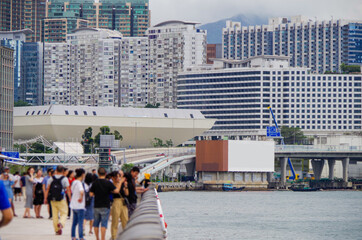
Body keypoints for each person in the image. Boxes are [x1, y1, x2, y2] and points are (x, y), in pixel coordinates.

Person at [90, 168, 122, 240]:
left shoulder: (95, 183)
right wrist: (120, 182)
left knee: (96, 224)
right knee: (103, 224)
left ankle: (97, 238)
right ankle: (103, 239)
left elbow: (91, 194)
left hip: (96, 205)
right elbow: (116, 191)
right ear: (105, 174)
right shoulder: (108, 183)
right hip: (105, 206)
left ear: (98, 173)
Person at [44, 165, 71, 235]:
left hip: (53, 199)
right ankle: (61, 223)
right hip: (62, 199)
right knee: (64, 213)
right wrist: (70, 198)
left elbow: (47, 189)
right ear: (63, 171)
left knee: (54, 215)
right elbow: (68, 190)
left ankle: (56, 230)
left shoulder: (51, 178)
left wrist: (45, 198)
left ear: (56, 170)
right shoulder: (64, 179)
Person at [110, 170, 129, 240]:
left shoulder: (121, 183)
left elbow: (127, 194)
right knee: (115, 221)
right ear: (113, 178)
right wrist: (121, 182)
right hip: (116, 202)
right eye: (117, 176)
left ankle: (126, 237)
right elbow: (116, 190)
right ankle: (114, 237)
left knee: (125, 220)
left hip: (123, 202)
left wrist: (126, 186)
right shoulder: (112, 184)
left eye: (120, 176)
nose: (119, 178)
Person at [70, 168, 86, 240]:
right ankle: (81, 237)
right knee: (80, 223)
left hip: (74, 205)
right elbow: (81, 191)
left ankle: (73, 237)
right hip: (80, 206)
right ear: (82, 174)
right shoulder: (79, 183)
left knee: (74, 223)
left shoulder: (74, 182)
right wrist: (81, 198)